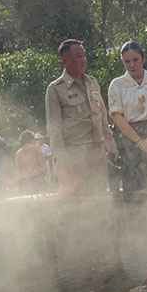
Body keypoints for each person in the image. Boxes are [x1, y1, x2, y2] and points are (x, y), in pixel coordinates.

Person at [45, 40, 118, 195]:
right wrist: (66, 166)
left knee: (99, 205)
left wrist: (112, 147)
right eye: (78, 56)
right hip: (74, 158)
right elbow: (55, 131)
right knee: (76, 208)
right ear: (66, 60)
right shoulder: (55, 89)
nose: (83, 60)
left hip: (97, 157)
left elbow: (103, 119)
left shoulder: (93, 83)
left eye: (84, 55)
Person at [108, 41, 147, 196]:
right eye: (127, 61)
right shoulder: (117, 84)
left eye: (135, 60)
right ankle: (135, 218)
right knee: (134, 185)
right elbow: (117, 116)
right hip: (129, 137)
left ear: (143, 58)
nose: (131, 65)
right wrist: (139, 141)